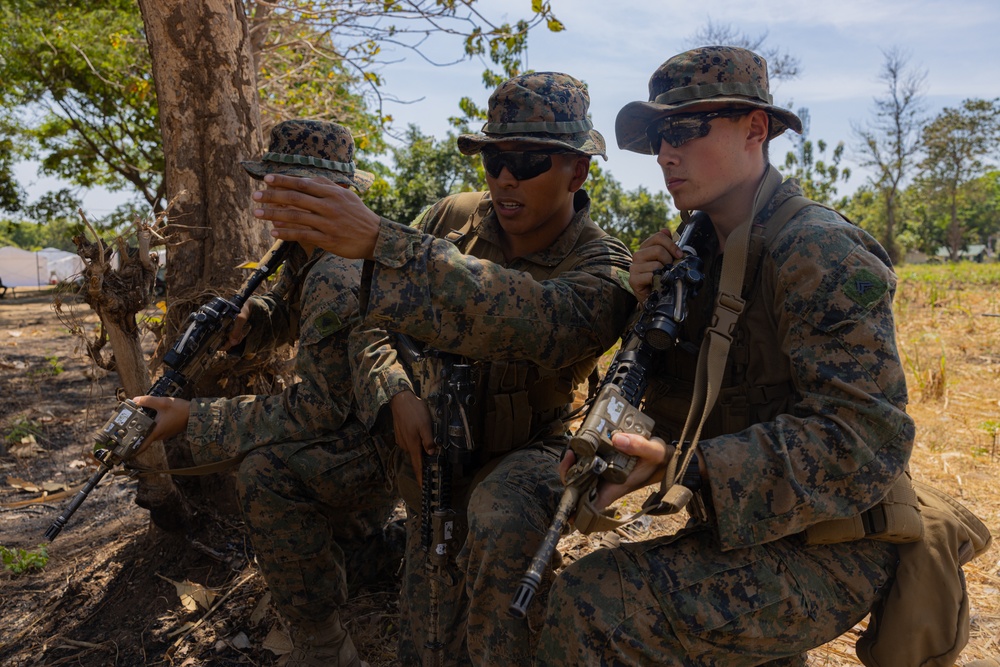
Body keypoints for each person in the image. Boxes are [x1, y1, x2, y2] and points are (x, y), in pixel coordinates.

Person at [535, 46, 916, 665]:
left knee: (592, 602)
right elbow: (694, 401)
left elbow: (864, 438)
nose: (664, 152)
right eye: (660, 135)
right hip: (754, 524)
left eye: (685, 128)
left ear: (755, 129)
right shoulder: (697, 254)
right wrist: (646, 321)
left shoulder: (818, 251)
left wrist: (690, 467)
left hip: (836, 539)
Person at [250, 73, 637, 665]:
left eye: (530, 160)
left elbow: (537, 321)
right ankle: (334, 625)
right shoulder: (452, 219)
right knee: (278, 474)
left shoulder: (604, 264)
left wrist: (385, 240)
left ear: (578, 171)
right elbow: (371, 314)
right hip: (422, 452)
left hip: (522, 455)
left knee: (498, 519)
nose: (506, 177)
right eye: (494, 159)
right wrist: (395, 391)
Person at [133, 120, 398, 667]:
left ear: (323, 196)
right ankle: (374, 554)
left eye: (283, 188)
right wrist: (255, 319)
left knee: (266, 470)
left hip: (386, 442)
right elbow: (292, 311)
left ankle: (326, 647)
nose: (267, 200)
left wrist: (193, 420)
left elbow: (319, 410)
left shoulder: (337, 273)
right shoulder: (311, 251)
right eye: (268, 185)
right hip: (365, 426)